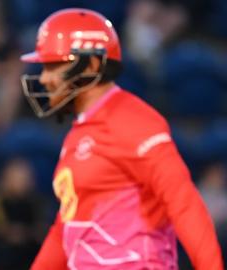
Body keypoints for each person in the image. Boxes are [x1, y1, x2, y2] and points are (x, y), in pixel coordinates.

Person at [19, 8, 223, 269]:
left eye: (54, 65)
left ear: (91, 65)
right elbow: (67, 228)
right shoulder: (79, 133)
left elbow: (183, 203)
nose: (45, 78)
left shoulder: (132, 120)